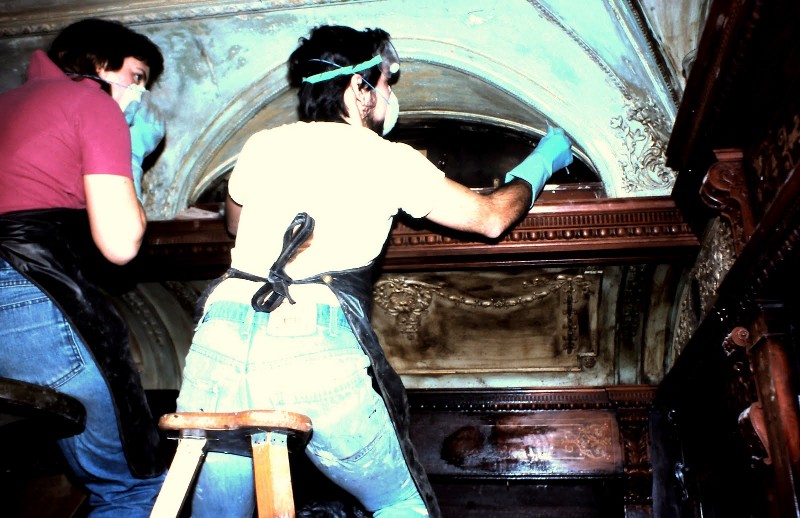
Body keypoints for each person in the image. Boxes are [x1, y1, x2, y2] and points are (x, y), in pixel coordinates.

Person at [176, 24, 573, 517]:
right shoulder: (388, 157)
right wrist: (541, 161)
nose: (389, 94)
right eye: (385, 82)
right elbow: (491, 218)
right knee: (399, 503)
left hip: (218, 339)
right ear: (359, 88)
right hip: (307, 344)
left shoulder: (261, 144)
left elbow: (235, 223)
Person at [0, 18, 167, 516]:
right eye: (136, 76)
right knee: (132, 486)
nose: (139, 93)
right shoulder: (90, 100)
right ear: (98, 63)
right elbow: (120, 243)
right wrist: (130, 150)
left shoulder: (8, 103)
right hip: (27, 292)